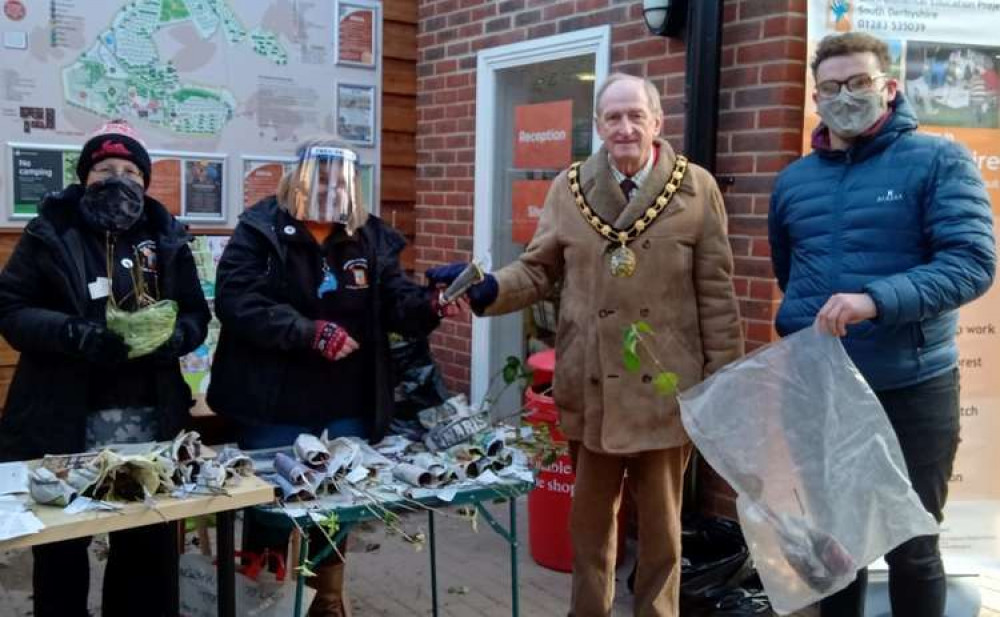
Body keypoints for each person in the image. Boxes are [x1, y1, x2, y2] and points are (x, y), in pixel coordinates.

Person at [427, 73, 744, 616]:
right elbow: (537, 270)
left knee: (664, 533)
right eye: (613, 117)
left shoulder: (696, 188)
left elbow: (716, 293)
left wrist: (724, 386)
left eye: (635, 116)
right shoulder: (568, 188)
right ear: (598, 126)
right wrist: (487, 288)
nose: (625, 128)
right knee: (591, 528)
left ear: (657, 122)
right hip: (591, 382)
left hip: (665, 386)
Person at [768, 32, 996, 617]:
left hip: (911, 386)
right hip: (823, 391)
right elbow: (789, 271)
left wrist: (876, 299)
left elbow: (973, 263)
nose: (845, 96)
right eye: (832, 87)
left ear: (889, 88)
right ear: (817, 97)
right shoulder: (794, 182)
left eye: (859, 83)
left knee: (912, 546)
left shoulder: (939, 160)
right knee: (836, 550)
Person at [207, 139, 457, 617]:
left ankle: (326, 599)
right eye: (321, 178)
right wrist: (307, 332)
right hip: (272, 401)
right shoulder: (260, 230)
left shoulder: (371, 237)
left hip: (347, 400)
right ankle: (265, 599)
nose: (332, 188)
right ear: (298, 179)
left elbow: (397, 304)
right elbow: (237, 301)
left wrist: (429, 305)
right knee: (274, 507)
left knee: (337, 501)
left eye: (341, 181)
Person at [0, 120, 211, 617]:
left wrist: (174, 338)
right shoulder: (51, 229)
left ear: (145, 182)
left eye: (130, 172)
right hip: (63, 418)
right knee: (61, 548)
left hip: (149, 419)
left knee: (147, 544)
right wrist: (74, 333)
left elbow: (197, 314)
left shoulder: (167, 236)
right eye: (104, 169)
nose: (118, 179)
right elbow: (10, 309)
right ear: (84, 176)